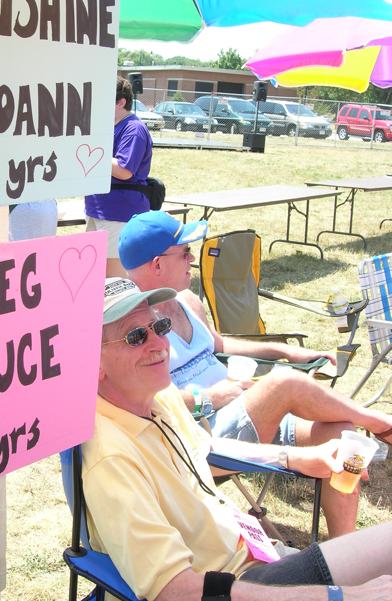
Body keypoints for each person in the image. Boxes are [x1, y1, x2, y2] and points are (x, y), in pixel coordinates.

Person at [85, 276, 392, 601]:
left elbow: (203, 452)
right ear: (93, 363)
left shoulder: (155, 398)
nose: (160, 344)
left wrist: (299, 458)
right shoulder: (109, 458)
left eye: (159, 327)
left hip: (246, 564)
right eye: (135, 336)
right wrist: (337, 600)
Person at [118, 210, 392, 538]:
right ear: (157, 263)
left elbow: (220, 343)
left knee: (337, 431)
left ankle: (343, 551)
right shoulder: (131, 327)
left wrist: (285, 350)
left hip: (245, 411)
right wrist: (212, 397)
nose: (193, 258)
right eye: (185, 252)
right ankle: (379, 423)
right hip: (202, 436)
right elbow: (139, 402)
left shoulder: (188, 301)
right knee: (282, 382)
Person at [85, 76, 153, 278]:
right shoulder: (111, 126)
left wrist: (90, 153)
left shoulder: (134, 129)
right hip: (99, 210)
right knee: (93, 276)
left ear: (121, 102)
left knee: (114, 282)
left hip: (119, 213)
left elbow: (124, 170)